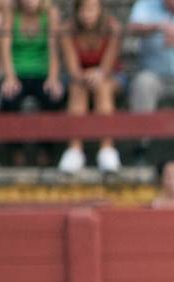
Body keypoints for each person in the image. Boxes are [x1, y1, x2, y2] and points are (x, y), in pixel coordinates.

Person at [0, 0, 66, 168]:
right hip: (17, 73)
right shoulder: (11, 15)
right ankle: (16, 152)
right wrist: (10, 77)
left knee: (53, 98)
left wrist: (53, 77)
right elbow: (4, 48)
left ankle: (45, 151)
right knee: (8, 99)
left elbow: (54, 49)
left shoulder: (50, 14)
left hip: (43, 73)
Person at [57, 0, 123, 173]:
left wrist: (98, 75)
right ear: (77, 11)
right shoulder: (67, 29)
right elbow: (72, 68)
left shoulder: (113, 28)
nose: (88, 14)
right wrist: (84, 76)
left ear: (100, 10)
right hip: (79, 78)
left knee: (102, 87)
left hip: (110, 76)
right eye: (84, 10)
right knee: (77, 88)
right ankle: (75, 149)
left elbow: (108, 66)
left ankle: (107, 149)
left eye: (92, 9)